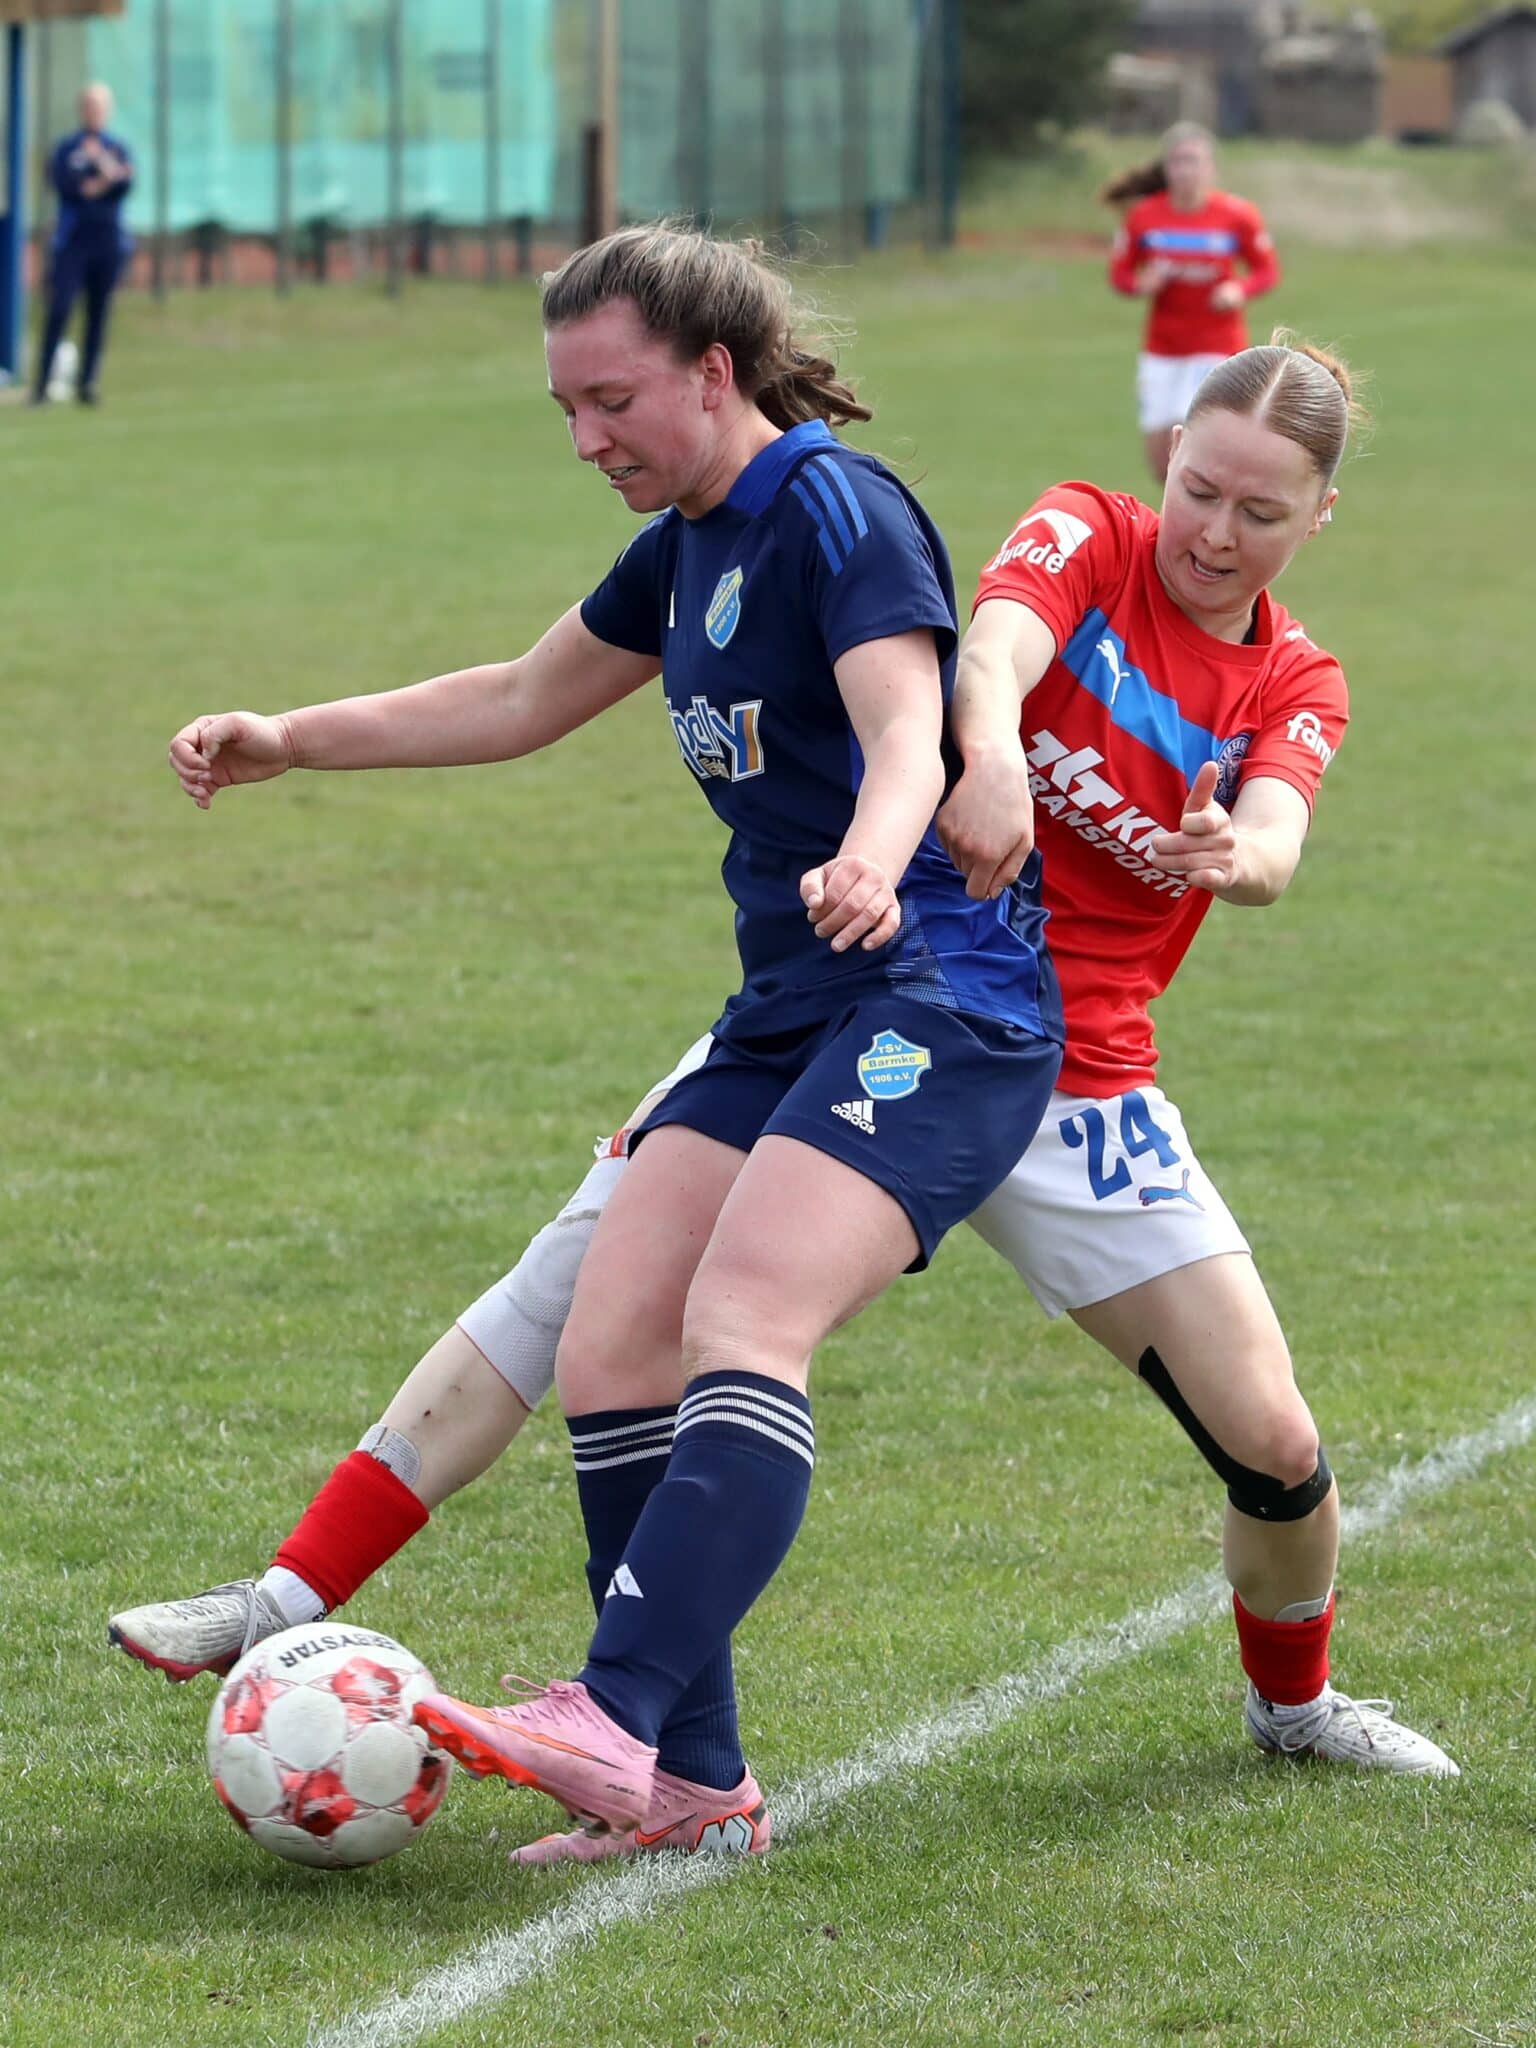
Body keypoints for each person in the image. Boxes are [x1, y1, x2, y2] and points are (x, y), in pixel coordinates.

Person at [112, 332, 1457, 1873]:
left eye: (1261, 512)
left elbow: (1277, 829)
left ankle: (1294, 1702)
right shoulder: (1089, 530)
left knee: (1273, 1446)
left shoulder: (1291, 678)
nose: (1214, 531)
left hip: (1063, 1071)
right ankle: (347, 1621)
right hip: (869, 998)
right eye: (1201, 487)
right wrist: (990, 751)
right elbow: (992, 649)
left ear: (1319, 518)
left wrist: (1241, 858)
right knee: (577, 1308)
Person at [136, 224, 1066, 1847]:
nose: (585, 440)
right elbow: (518, 695)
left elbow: (909, 723)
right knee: (613, 1344)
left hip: (938, 991)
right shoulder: (683, 545)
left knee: (745, 1311)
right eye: (564, 408)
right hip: (791, 1000)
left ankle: (613, 1706)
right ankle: (695, 1782)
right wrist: (292, 738)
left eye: (611, 401)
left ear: (713, 373)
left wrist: (871, 851)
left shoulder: (832, 509)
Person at [1105, 122, 1279, 484]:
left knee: (1200, 446)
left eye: (1193, 161)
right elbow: (1120, 275)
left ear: (1210, 167)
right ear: (1167, 168)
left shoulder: (1237, 214)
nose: (1185, 170)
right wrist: (1142, 284)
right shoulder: (1144, 216)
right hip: (1163, 348)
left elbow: (1266, 271)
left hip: (1218, 347)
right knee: (1160, 457)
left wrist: (1238, 290)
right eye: (1177, 161)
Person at [31, 84, 134, 409]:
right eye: (89, 105)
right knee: (60, 308)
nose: (93, 111)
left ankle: (87, 382)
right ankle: (41, 385)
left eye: (99, 106)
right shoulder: (67, 147)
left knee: (98, 313)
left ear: (107, 111)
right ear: (81, 109)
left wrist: (100, 166)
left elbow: (123, 185)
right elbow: (66, 185)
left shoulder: (116, 147)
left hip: (107, 241)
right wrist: (101, 182)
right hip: (73, 242)